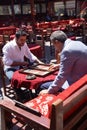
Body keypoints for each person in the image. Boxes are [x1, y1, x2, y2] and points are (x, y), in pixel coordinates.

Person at [39, 30, 87, 95]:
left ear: (56, 42)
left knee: (42, 86)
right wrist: (59, 65)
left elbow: (62, 76)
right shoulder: (77, 43)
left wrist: (49, 91)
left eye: (54, 45)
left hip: (76, 84)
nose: (55, 48)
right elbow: (76, 61)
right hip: (83, 78)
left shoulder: (67, 51)